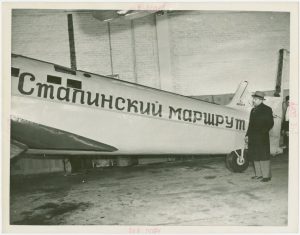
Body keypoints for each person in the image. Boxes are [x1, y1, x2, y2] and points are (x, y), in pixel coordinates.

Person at [245, 91, 274, 182]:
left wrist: (263, 132)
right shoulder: (253, 110)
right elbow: (250, 124)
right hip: (253, 136)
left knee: (263, 155)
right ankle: (258, 175)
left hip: (262, 136)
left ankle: (266, 176)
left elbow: (270, 123)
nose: (253, 100)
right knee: (255, 155)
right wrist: (247, 135)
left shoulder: (267, 109)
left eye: (255, 99)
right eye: (253, 99)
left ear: (261, 100)